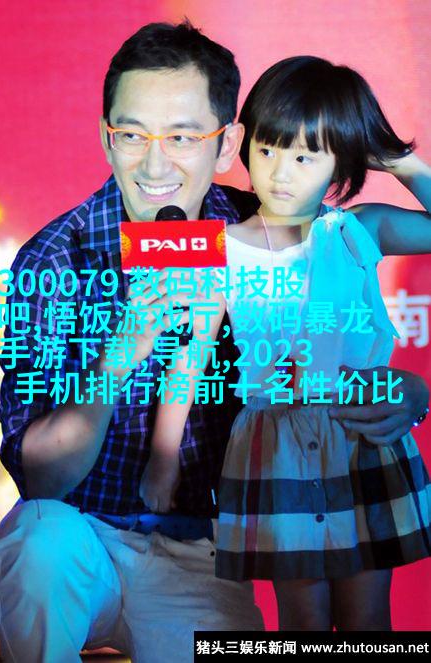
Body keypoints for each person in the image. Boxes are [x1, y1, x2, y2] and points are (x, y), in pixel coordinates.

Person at [0, 22, 428, 661]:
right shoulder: (56, 257)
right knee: (40, 547)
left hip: (199, 549)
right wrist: (121, 355)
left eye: (183, 137)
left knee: (358, 619)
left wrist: (409, 390)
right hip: (82, 533)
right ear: (106, 138)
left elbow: (317, 329)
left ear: (227, 145)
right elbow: (41, 476)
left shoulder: (275, 226)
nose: (155, 163)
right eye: (132, 134)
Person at [144, 56, 431, 632]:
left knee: (368, 617)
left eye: (306, 156)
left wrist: (396, 158)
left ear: (341, 160)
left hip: (360, 432)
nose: (280, 172)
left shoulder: (357, 230)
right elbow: (191, 354)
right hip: (273, 442)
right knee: (302, 617)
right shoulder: (216, 246)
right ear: (245, 144)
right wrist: (163, 460)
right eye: (269, 149)